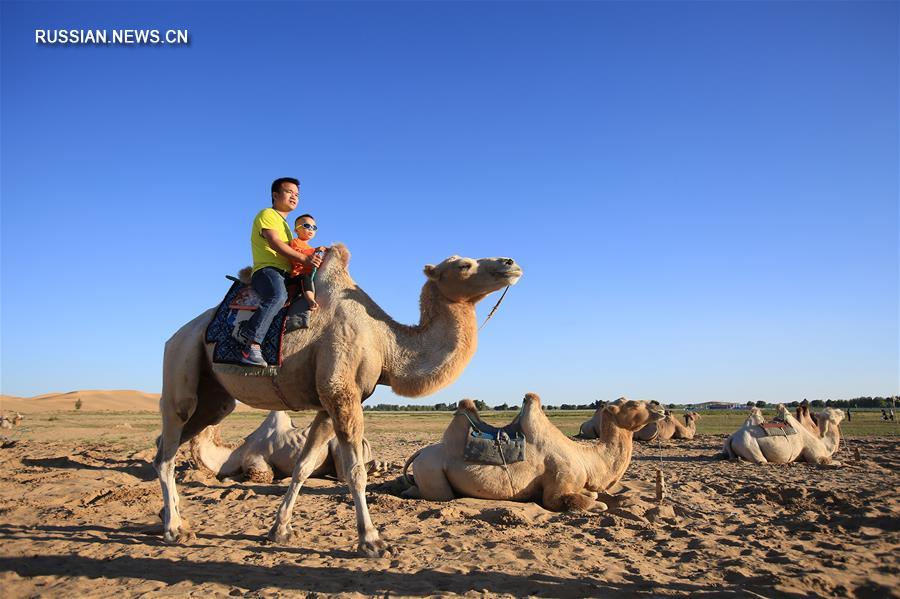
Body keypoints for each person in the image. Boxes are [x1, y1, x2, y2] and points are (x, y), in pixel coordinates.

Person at [233, 177, 322, 367]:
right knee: (278, 296)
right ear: (275, 195)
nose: (294, 197)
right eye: (289, 192)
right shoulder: (267, 214)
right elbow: (275, 243)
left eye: (297, 194)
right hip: (267, 270)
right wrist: (305, 259)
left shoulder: (288, 229)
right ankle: (251, 344)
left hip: (287, 273)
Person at [287, 214, 327, 330]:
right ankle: (310, 300)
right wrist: (314, 251)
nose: (311, 229)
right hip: (297, 275)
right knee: (305, 278)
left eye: (314, 228)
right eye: (306, 226)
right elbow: (297, 252)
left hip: (309, 274)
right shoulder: (295, 242)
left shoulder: (311, 248)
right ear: (296, 230)